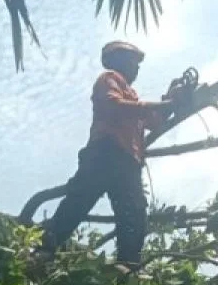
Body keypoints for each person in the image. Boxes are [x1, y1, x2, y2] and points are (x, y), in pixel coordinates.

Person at [40, 41, 174, 271]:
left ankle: (128, 264)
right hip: (105, 152)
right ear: (119, 59)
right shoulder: (109, 79)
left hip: (127, 161)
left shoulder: (132, 94)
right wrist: (164, 104)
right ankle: (46, 247)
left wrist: (171, 100)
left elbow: (155, 122)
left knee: (134, 212)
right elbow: (117, 106)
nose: (137, 68)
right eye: (133, 61)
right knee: (79, 200)